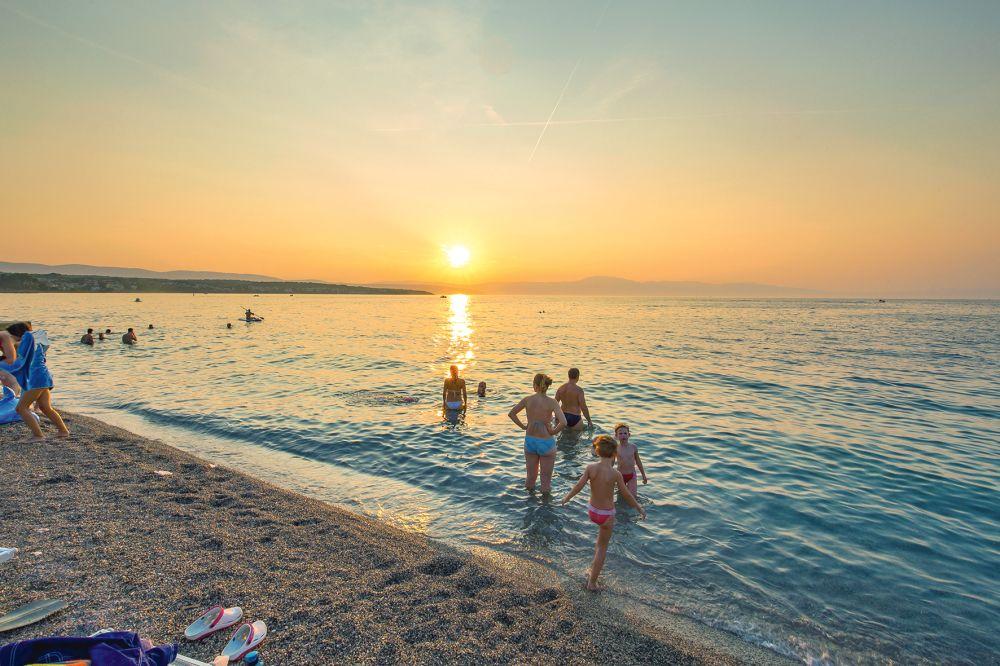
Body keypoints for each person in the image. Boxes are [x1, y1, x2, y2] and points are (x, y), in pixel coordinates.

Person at [561, 434, 645, 591]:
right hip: (606, 515)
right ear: (615, 453)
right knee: (602, 547)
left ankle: (592, 570)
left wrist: (567, 498)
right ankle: (592, 582)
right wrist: (639, 508)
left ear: (597, 451)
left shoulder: (590, 468)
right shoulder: (615, 474)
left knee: (599, 543)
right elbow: (627, 494)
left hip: (592, 511)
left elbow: (578, 486)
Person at [0, 322, 69, 441]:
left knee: (21, 408)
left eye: (11, 335)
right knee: (45, 407)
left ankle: (38, 435)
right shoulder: (37, 343)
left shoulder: (20, 344)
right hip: (44, 377)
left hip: (35, 380)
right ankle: (63, 431)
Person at [508, 373, 567, 493]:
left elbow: (512, 414)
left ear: (535, 385)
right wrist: (553, 431)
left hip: (530, 441)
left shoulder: (527, 400)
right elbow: (564, 422)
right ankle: (545, 504)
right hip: (546, 442)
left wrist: (523, 426)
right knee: (545, 482)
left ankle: (529, 502)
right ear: (546, 386)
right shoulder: (552, 402)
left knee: (530, 479)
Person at [614, 423, 647, 497]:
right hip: (620, 476)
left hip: (631, 475)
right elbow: (611, 463)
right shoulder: (616, 448)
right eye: (620, 433)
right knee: (621, 496)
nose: (623, 435)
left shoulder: (633, 447)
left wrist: (643, 475)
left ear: (629, 435)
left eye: (625, 433)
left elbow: (638, 462)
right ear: (616, 436)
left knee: (633, 496)